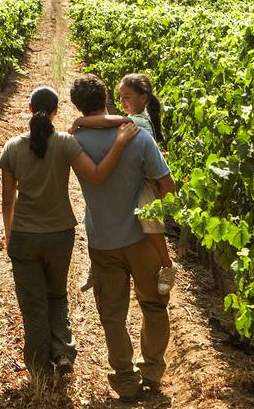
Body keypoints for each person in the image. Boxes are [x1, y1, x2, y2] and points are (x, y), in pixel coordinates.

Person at [0, 86, 139, 383]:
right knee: (57, 294)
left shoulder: (12, 147)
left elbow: (8, 200)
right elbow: (97, 174)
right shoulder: (64, 143)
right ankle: (63, 352)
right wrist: (117, 143)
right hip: (59, 233)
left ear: (29, 108)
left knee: (33, 302)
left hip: (24, 234)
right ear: (56, 111)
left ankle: (38, 368)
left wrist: (9, 237)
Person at [68, 74, 176, 403]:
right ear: (107, 98)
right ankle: (152, 372)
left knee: (112, 314)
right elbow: (167, 186)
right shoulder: (138, 136)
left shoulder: (72, 142)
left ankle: (125, 379)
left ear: (77, 106)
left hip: (102, 240)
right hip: (142, 239)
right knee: (154, 306)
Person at [71, 73, 176, 295]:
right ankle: (95, 267)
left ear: (143, 98)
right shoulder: (134, 121)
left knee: (151, 223)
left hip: (147, 183)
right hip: (145, 178)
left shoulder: (135, 123)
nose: (122, 103)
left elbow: (107, 121)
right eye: (120, 97)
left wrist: (80, 122)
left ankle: (167, 265)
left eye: (127, 97)